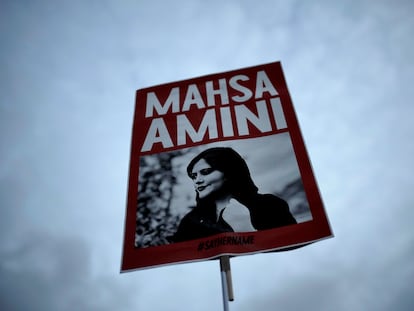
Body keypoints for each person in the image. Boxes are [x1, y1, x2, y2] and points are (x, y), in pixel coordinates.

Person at [169, 147, 297, 243]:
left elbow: (292, 244)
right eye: (194, 176)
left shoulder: (270, 205)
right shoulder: (192, 222)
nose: (197, 180)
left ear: (229, 172)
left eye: (206, 172)